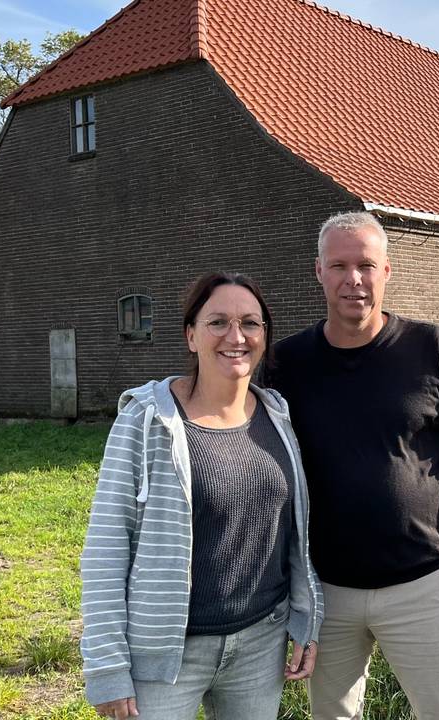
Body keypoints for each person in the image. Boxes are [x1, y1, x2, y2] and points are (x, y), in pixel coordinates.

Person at [267, 211, 439, 720]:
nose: (353, 279)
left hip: (424, 586)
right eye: (339, 266)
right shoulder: (287, 365)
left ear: (386, 271)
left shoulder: (432, 349)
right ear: (319, 272)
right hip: (327, 590)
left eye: (366, 266)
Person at [80, 272, 323, 720]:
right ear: (191, 335)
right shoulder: (147, 420)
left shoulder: (277, 417)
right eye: (218, 322)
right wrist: (107, 665)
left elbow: (294, 535)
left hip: (260, 643)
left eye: (250, 323)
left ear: (264, 336)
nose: (236, 336)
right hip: (165, 654)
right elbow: (106, 547)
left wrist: (306, 619)